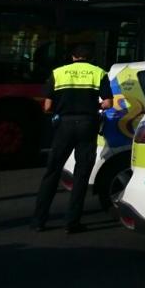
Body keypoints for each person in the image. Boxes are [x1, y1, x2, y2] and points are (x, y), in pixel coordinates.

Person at [32, 45, 111, 233]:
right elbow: (107, 103)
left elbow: (47, 106)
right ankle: (72, 222)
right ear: (89, 57)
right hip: (88, 124)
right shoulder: (99, 72)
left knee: (52, 171)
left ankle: (38, 221)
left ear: (73, 57)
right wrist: (93, 105)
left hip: (64, 126)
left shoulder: (58, 72)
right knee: (81, 174)